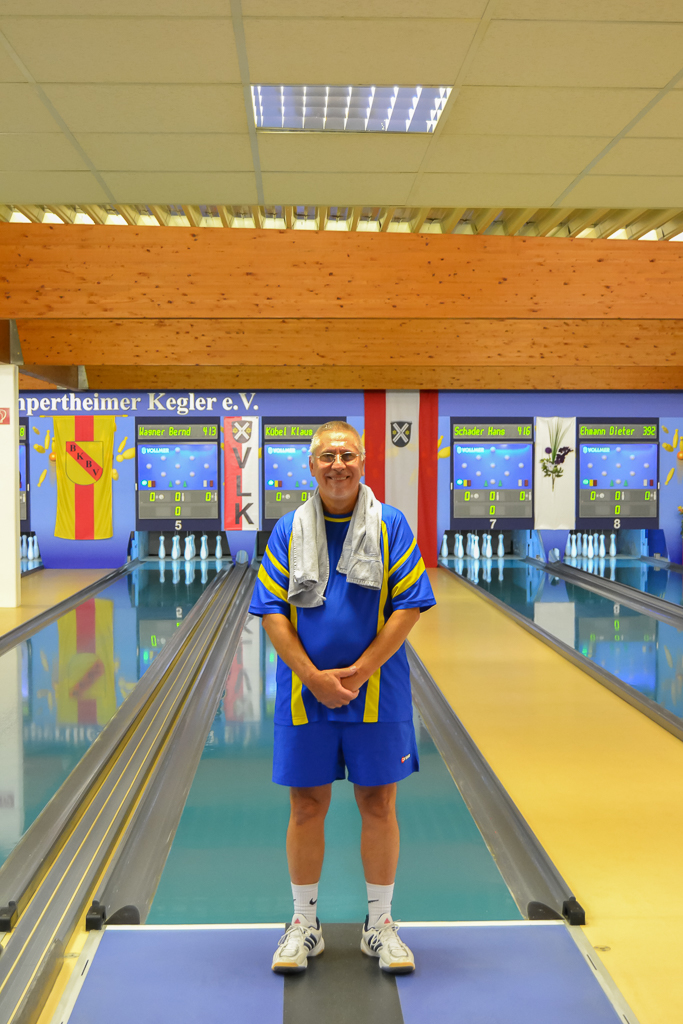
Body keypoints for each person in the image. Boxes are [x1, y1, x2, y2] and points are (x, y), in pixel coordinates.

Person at [249, 421, 435, 975]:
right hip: (305, 695)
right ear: (312, 465)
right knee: (306, 806)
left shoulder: (390, 525)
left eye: (347, 455)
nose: (338, 465)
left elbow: (409, 606)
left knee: (378, 804)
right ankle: (304, 925)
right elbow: (272, 613)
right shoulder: (288, 529)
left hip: (378, 692)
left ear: (362, 462)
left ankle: (381, 926)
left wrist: (359, 671)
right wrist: (313, 677)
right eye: (327, 456)